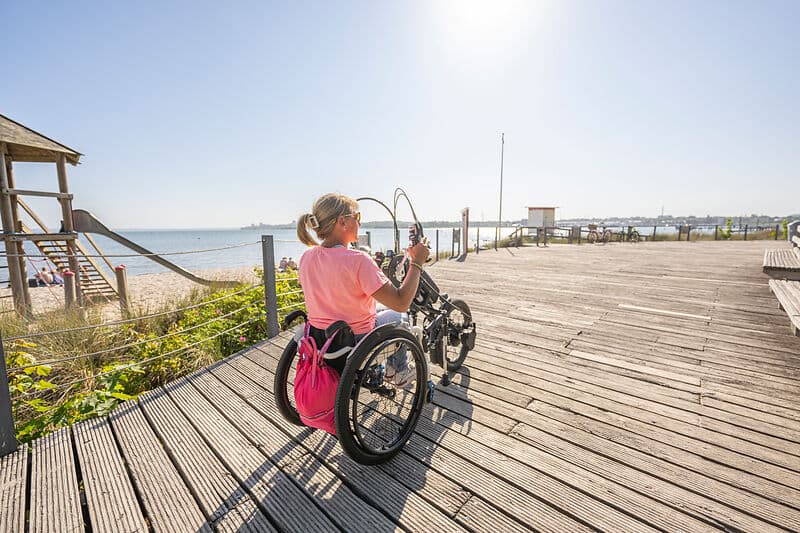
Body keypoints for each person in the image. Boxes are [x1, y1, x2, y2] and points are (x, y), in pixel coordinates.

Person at [297, 193, 430, 386]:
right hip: (355, 340)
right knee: (402, 317)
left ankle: (380, 370)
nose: (360, 222)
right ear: (343, 221)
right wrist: (417, 262)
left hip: (320, 339)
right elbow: (401, 302)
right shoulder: (357, 260)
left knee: (380, 310)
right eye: (357, 217)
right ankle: (397, 372)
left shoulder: (307, 257)